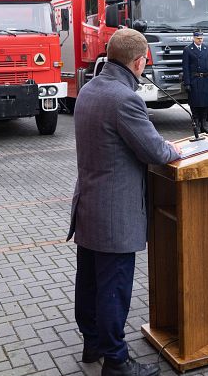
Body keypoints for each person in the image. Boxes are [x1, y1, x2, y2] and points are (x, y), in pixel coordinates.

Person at [68, 28, 180, 376]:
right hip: (114, 211)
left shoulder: (90, 88)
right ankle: (116, 361)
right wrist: (171, 148)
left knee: (89, 279)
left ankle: (93, 343)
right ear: (138, 61)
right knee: (113, 287)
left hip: (88, 202)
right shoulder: (124, 98)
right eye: (146, 60)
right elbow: (154, 151)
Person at [181, 31, 208, 134]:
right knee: (195, 104)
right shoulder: (188, 50)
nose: (200, 40)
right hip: (194, 80)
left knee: (205, 104)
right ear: (194, 38)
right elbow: (185, 67)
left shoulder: (207, 49)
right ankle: (197, 125)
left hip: (205, 79)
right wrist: (187, 82)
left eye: (201, 38)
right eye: (198, 38)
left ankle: (204, 125)